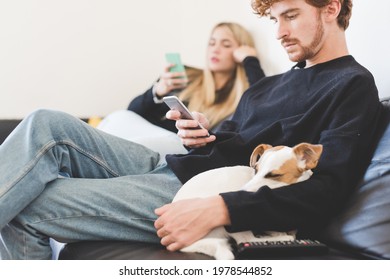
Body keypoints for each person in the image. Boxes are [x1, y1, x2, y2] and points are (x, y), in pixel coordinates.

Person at [0, 0, 382, 259]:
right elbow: (233, 139)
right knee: (44, 122)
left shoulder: (351, 85)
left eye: (291, 15)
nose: (280, 31)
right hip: (182, 163)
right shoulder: (269, 86)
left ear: (332, 8)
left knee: (30, 202)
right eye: (274, 19)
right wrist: (201, 132)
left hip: (199, 188)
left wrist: (221, 207)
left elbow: (328, 188)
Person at [127, 22, 265, 133]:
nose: (215, 49)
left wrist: (250, 60)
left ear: (239, 52)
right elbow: (131, 112)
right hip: (139, 132)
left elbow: (263, 104)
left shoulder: (242, 97)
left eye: (226, 45)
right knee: (118, 118)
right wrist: (156, 91)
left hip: (171, 147)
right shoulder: (186, 74)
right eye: (212, 43)